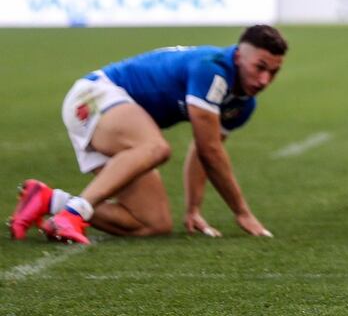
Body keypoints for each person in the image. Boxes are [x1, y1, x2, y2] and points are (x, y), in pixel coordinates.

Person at [8, 25, 287, 244]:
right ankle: (72, 215)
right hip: (94, 96)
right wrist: (242, 213)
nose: (265, 80)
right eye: (260, 67)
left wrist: (193, 209)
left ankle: (48, 200)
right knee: (156, 147)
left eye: (273, 73)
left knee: (153, 223)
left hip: (118, 119)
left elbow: (204, 150)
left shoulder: (243, 104)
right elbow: (211, 152)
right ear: (239, 56)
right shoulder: (212, 69)